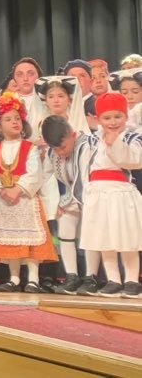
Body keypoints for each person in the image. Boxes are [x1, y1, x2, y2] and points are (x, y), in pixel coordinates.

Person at [0, 92, 57, 293]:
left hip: (25, 200)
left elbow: (34, 172)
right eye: (8, 119)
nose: (14, 122)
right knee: (10, 239)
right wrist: (0, 189)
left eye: (17, 118)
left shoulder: (29, 147)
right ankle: (14, 278)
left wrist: (18, 189)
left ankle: (33, 278)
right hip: (3, 201)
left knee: (30, 240)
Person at [76, 92, 142, 298]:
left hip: (121, 193)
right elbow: (84, 167)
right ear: (98, 119)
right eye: (107, 118)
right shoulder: (92, 140)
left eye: (117, 116)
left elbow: (133, 161)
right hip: (97, 193)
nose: (113, 122)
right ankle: (113, 279)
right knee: (104, 238)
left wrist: (115, 144)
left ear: (125, 116)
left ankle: (131, 280)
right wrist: (85, 194)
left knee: (126, 238)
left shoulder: (132, 138)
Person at [41, 115, 93, 294]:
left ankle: (91, 277)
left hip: (91, 195)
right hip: (71, 198)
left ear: (72, 135)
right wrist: (54, 202)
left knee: (90, 233)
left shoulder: (85, 146)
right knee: (64, 226)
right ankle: (71, 276)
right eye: (55, 148)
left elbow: (83, 179)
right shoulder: (52, 154)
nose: (60, 152)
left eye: (62, 147)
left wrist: (67, 201)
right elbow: (44, 177)